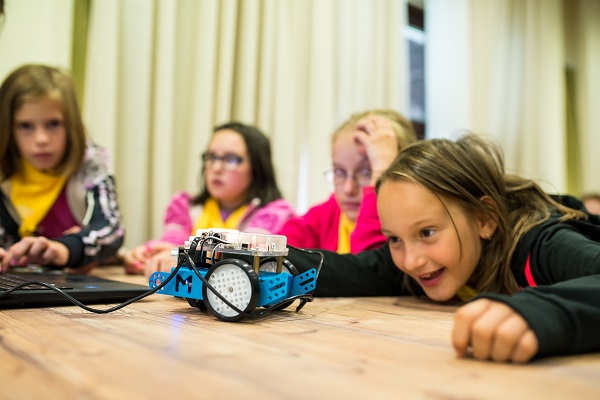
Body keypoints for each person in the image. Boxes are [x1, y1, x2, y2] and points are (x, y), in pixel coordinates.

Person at [286, 134, 600, 363]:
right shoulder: (420, 262)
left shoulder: (540, 242)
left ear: (485, 218)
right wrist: (258, 254)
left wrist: (543, 312)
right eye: (394, 239)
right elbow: (348, 271)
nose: (410, 260)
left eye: (427, 232)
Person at [123, 121, 295, 276]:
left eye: (232, 159)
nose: (216, 167)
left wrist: (180, 253)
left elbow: (247, 257)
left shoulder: (276, 212)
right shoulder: (185, 205)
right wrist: (148, 252)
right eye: (212, 157)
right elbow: (173, 241)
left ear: (258, 167)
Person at [0, 64, 125, 272]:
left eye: (53, 124)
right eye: (25, 126)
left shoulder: (90, 162)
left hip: (78, 278)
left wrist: (65, 249)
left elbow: (111, 230)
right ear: (7, 126)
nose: (41, 139)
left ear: (71, 123)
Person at [278, 109, 416, 253]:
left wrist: (380, 172)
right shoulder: (329, 214)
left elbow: (370, 267)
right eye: (339, 172)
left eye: (367, 172)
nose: (348, 189)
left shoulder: (409, 227)